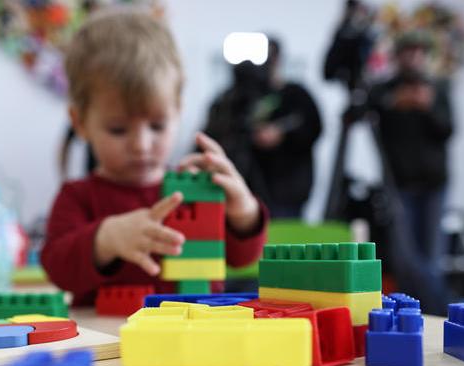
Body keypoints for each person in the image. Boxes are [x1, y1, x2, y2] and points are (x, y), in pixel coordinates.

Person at [41, 9, 268, 305]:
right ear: (80, 122)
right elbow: (58, 269)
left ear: (178, 110)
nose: (141, 144)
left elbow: (242, 257)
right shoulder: (77, 197)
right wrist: (105, 239)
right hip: (110, 341)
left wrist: (243, 210)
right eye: (118, 129)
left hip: (193, 332)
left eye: (157, 126)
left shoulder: (195, 190)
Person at [369, 32, 454, 307]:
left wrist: (427, 107)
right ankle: (420, 307)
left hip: (434, 183)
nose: (414, 57)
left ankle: (435, 309)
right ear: (398, 55)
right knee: (405, 256)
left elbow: (448, 129)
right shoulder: (383, 90)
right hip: (398, 183)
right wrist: (397, 102)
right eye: (408, 50)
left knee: (432, 255)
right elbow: (372, 113)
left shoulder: (439, 87)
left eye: (419, 51)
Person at [205, 38, 323, 218]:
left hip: (287, 189)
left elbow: (313, 127)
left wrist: (281, 135)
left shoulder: (295, 94)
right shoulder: (232, 99)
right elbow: (213, 134)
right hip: (240, 188)